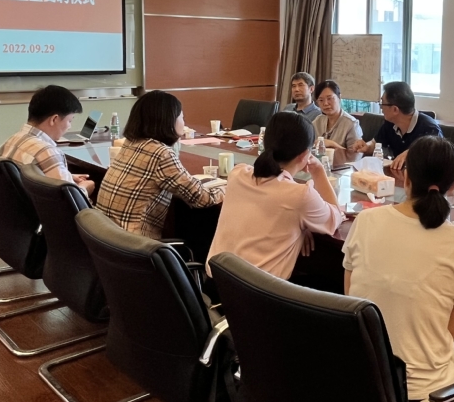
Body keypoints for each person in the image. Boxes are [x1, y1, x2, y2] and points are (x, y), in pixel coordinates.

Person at [344, 136, 454, 402]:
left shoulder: (365, 220)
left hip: (362, 379)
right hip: (427, 396)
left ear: (406, 178)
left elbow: (351, 297)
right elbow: (450, 334)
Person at [207, 112, 343, 279]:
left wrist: (298, 223)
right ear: (305, 155)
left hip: (216, 282)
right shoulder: (300, 195)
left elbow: (269, 208)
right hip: (259, 292)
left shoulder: (238, 173)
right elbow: (335, 219)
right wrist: (319, 171)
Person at [95, 91, 223, 239]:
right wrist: (227, 189)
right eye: (182, 117)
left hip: (107, 238)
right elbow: (202, 198)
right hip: (134, 243)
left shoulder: (131, 143)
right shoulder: (160, 153)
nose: (184, 123)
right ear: (168, 121)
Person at [0, 85, 95, 195]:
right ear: (54, 119)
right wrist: (84, 188)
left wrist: (68, 176)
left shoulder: (12, 140)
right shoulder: (47, 152)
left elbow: (31, 175)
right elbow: (69, 199)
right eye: (70, 121)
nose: (69, 127)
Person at [350, 81, 442, 171]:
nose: (381, 108)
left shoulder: (430, 129)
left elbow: (436, 161)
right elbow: (376, 144)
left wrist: (411, 153)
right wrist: (367, 146)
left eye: (382, 103)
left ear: (395, 109)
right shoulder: (390, 123)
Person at [312, 79, 362, 150]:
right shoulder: (318, 121)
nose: (325, 103)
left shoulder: (351, 124)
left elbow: (356, 154)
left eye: (330, 98)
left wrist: (332, 144)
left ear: (339, 97)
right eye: (321, 100)